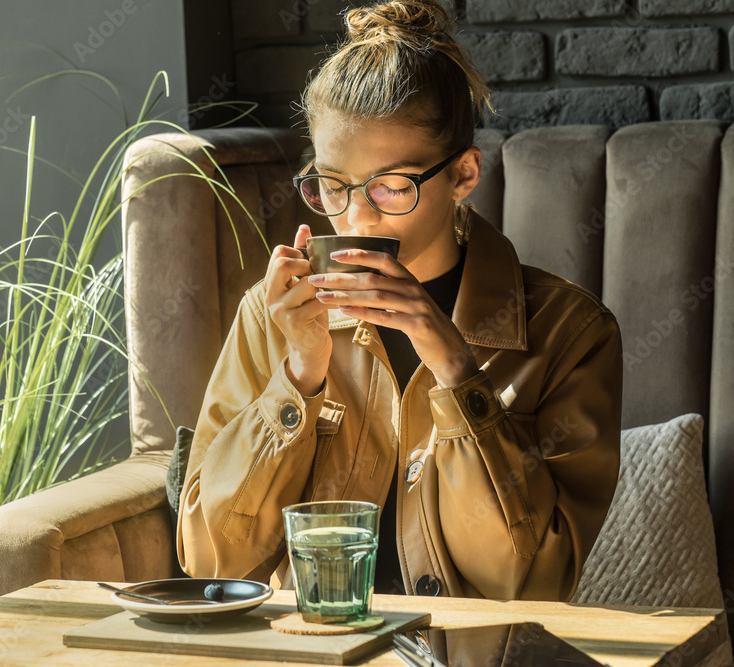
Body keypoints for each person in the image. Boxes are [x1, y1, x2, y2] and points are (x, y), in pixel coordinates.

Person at [176, 0, 622, 602]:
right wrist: (298, 380)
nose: (355, 217)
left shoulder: (571, 332)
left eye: (391, 187)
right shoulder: (273, 313)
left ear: (463, 176)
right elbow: (211, 558)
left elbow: (532, 581)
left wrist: (456, 372)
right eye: (332, 185)